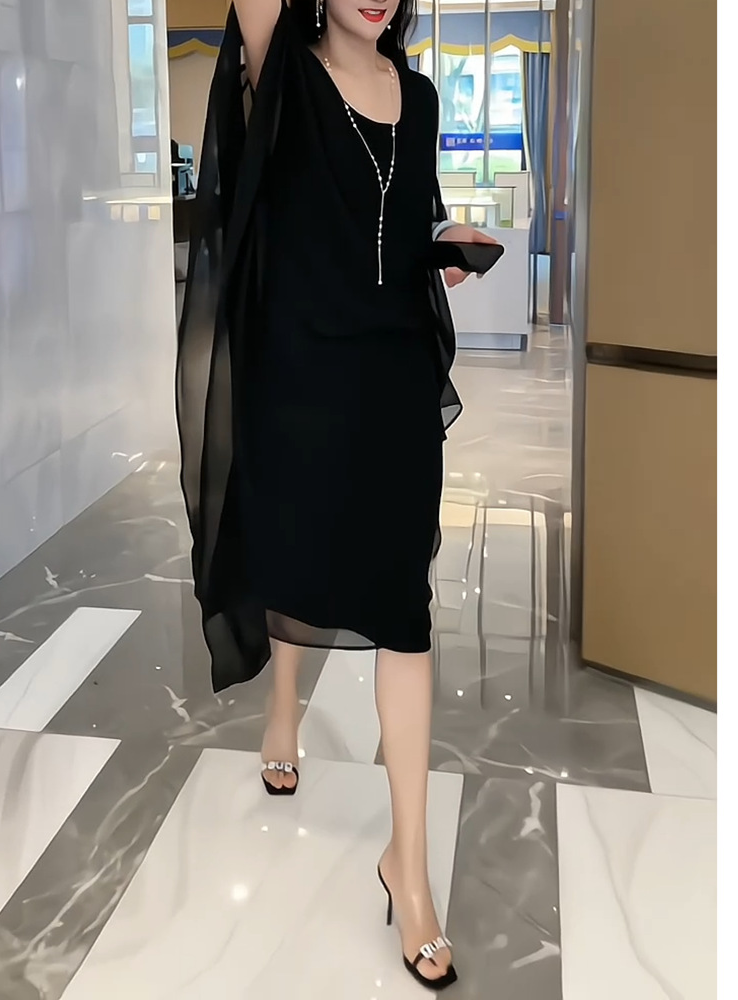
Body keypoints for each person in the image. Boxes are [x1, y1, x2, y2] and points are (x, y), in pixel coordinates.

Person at [175, 0, 498, 990]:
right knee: (295, 558)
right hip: (300, 384)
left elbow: (404, 216)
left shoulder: (422, 94)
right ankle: (282, 707)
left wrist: (446, 240)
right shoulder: (284, 66)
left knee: (405, 609)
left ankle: (410, 866)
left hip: (394, 383)